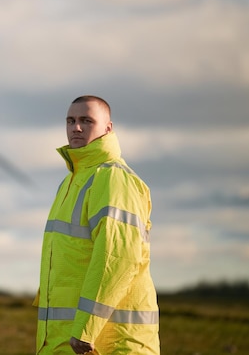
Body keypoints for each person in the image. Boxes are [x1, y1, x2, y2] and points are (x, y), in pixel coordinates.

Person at [34, 95, 160, 354]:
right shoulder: (72, 181)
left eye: (86, 120)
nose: (76, 127)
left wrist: (86, 329)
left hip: (109, 343)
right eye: (71, 120)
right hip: (69, 342)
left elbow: (116, 259)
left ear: (108, 128)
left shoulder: (113, 178)